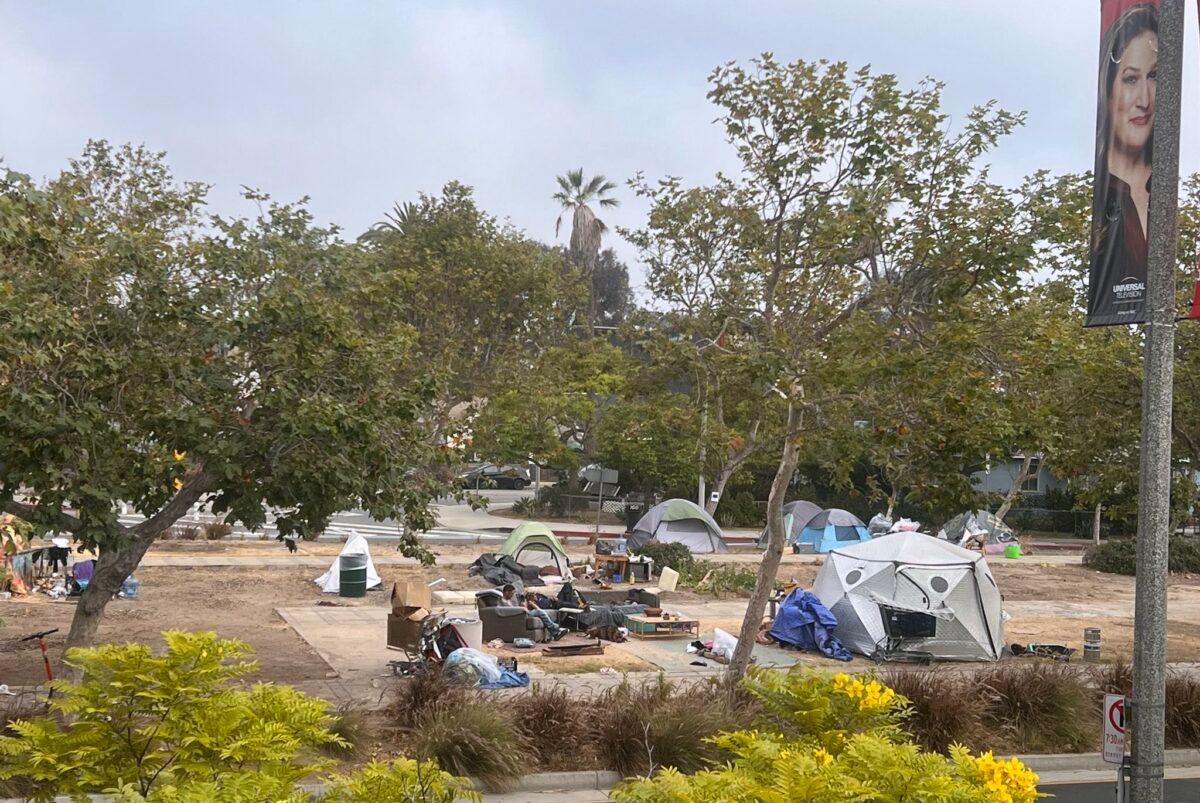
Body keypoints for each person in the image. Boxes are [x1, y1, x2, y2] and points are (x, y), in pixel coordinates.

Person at [1089, 3, 1157, 323]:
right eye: (1130, 79)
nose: (1144, 99)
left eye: (1154, 76)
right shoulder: (1102, 198)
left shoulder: (1166, 189)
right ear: (1108, 90)